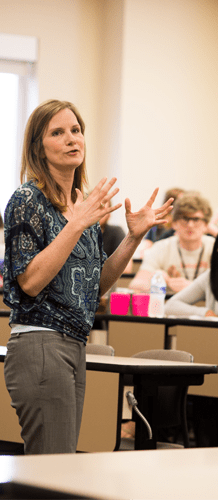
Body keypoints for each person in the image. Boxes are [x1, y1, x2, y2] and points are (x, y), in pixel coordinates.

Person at [2, 99, 172, 454]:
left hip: (75, 343)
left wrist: (132, 238)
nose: (70, 139)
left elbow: (95, 285)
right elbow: (29, 281)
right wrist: (77, 224)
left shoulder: (83, 204)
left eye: (76, 130)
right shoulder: (27, 199)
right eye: (57, 132)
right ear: (39, 146)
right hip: (40, 343)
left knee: (61, 465)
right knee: (53, 468)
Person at [130, 193, 214, 293]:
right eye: (185, 219)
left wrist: (193, 288)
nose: (190, 225)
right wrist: (154, 280)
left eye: (196, 219)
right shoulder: (161, 247)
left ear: (206, 224)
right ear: (174, 223)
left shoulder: (216, 247)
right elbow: (135, 285)